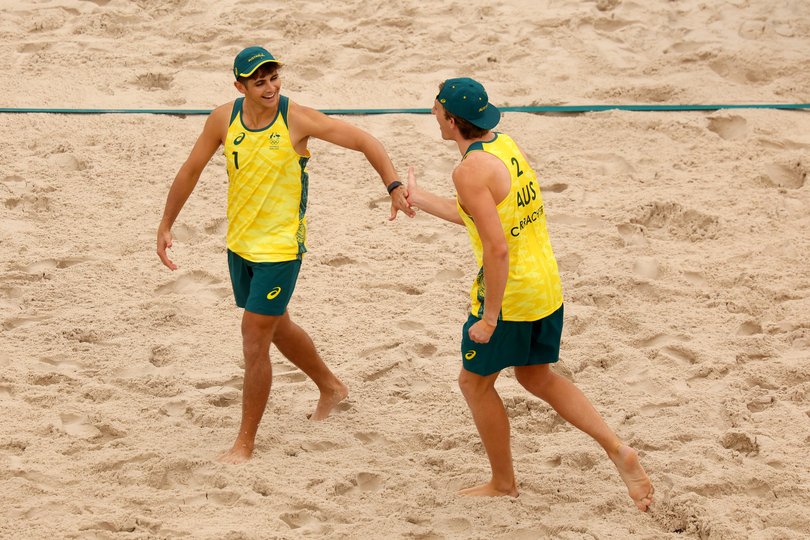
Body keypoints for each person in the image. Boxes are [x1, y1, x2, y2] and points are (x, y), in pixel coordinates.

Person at [156, 46, 414, 464]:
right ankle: (331, 387)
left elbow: (365, 140)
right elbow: (191, 169)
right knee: (276, 326)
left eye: (274, 78)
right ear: (240, 86)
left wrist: (393, 185)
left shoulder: (296, 119)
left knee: (253, 338)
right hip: (240, 245)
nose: (270, 87)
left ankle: (244, 443)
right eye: (259, 81)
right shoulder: (224, 118)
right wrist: (166, 223)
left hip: (280, 248)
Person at [405, 77, 654, 510]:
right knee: (536, 376)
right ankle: (617, 449)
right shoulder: (504, 147)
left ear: (450, 120)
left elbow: (497, 248)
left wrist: (489, 318)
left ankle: (503, 482)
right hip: (546, 286)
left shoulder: (467, 171)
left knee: (474, 383)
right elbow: (478, 217)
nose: (432, 114)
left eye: (436, 109)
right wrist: (416, 196)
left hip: (511, 293)